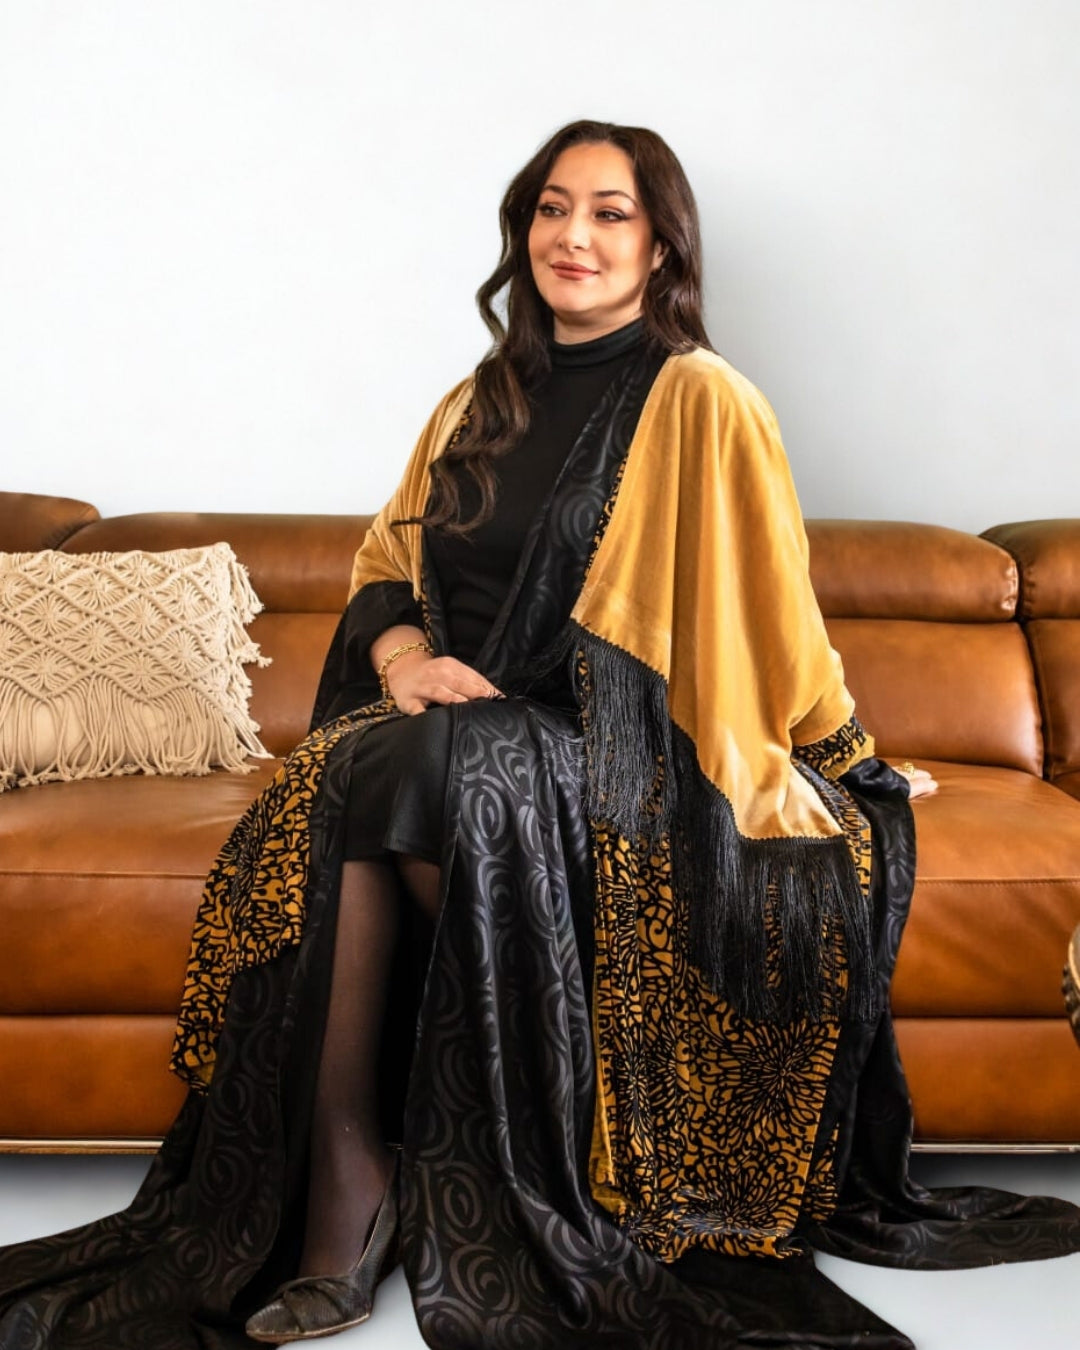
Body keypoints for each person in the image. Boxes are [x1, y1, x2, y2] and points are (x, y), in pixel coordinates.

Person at [2, 118, 1078, 1350]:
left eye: (611, 212)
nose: (574, 235)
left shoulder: (702, 398)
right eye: (552, 209)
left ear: (661, 246)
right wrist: (403, 662)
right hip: (455, 739)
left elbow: (773, 615)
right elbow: (384, 566)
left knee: (453, 758)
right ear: (523, 233)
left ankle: (410, 1198)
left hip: (625, 762)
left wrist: (844, 763)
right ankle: (349, 1188)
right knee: (379, 756)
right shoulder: (477, 402)